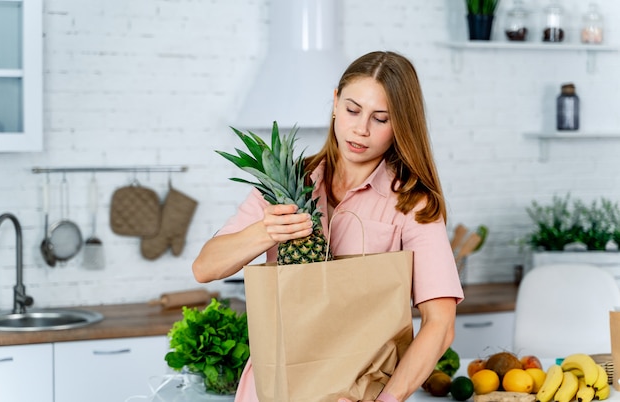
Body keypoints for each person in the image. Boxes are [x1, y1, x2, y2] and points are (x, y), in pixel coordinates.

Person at [192, 50, 464, 402]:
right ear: (335, 102)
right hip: (272, 387)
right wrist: (265, 231)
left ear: (400, 126)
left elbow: (440, 324)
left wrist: (387, 400)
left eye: (381, 119)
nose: (361, 129)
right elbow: (205, 268)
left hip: (357, 394)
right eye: (352, 110)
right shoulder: (287, 185)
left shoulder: (412, 204)